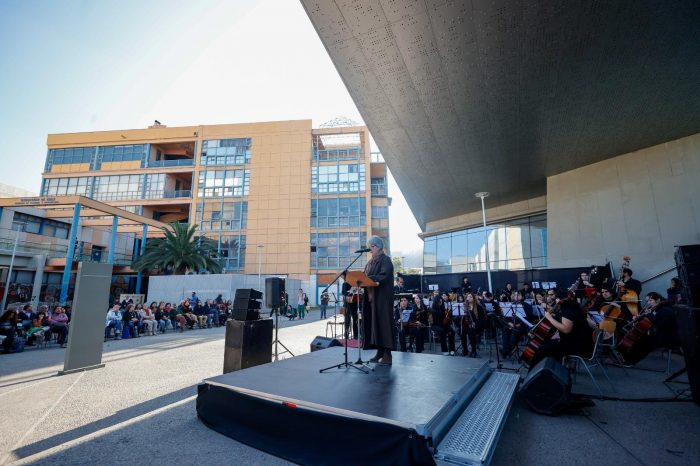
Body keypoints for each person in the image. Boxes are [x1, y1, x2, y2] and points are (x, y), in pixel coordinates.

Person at [528, 294, 594, 369]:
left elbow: (566, 330)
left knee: (542, 349)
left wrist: (549, 318)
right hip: (584, 344)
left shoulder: (567, 310)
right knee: (547, 345)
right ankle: (550, 370)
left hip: (578, 347)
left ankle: (533, 375)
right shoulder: (575, 308)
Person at [362, 235, 395, 365]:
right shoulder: (370, 262)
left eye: (372, 247)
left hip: (382, 299)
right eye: (370, 247)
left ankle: (388, 354)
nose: (370, 250)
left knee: (384, 325)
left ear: (378, 247)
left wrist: (369, 278)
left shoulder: (386, 260)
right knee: (375, 325)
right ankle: (380, 351)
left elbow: (384, 276)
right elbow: (365, 276)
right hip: (372, 300)